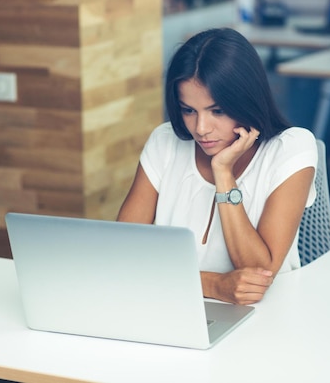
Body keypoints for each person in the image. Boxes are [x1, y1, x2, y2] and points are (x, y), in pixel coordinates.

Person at [117, 28, 317, 305]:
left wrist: (223, 173)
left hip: (268, 318)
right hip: (172, 304)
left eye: (217, 111)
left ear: (246, 100)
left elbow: (260, 274)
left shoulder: (291, 148)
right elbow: (123, 252)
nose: (201, 129)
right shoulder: (165, 142)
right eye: (188, 110)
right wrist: (212, 284)